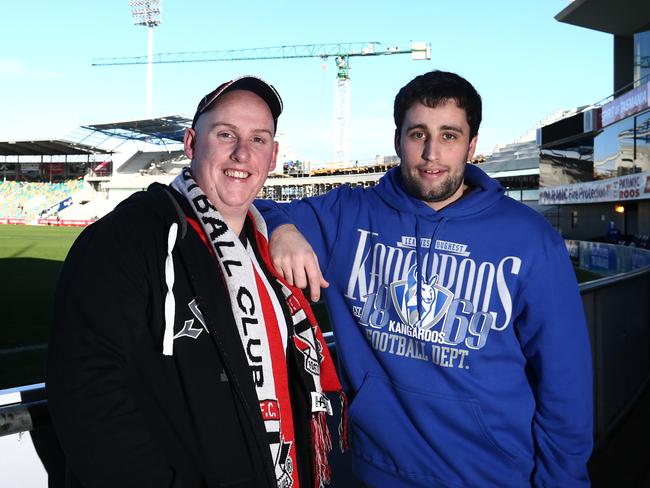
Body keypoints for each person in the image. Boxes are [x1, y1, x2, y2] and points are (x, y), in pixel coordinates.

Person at [255, 70, 593, 487]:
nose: (432, 153)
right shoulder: (347, 213)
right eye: (418, 134)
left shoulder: (532, 240)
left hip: (493, 474)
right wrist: (281, 228)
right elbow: (251, 206)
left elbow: (565, 386)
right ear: (398, 140)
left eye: (449, 136)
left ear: (471, 146)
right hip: (376, 470)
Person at [47, 75, 345, 488]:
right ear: (190, 143)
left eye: (258, 140)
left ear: (273, 156)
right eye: (226, 134)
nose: (242, 153)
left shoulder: (268, 251)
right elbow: (85, 392)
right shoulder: (128, 236)